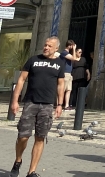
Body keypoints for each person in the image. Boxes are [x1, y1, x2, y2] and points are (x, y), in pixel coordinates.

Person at [10, 36, 65, 177]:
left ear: (56, 48)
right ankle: (18, 160)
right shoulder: (33, 60)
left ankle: (32, 171)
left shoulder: (59, 64)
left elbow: (61, 85)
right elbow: (21, 80)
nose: (46, 47)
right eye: (45, 45)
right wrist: (15, 100)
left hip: (47, 105)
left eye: (49, 46)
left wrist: (60, 104)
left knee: (40, 137)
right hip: (31, 102)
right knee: (23, 136)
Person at [61, 40, 76, 110]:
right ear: (69, 45)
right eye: (72, 45)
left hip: (69, 73)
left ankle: (66, 105)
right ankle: (59, 104)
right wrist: (74, 49)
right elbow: (74, 58)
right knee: (62, 90)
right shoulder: (64, 53)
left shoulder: (68, 53)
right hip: (65, 73)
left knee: (68, 90)